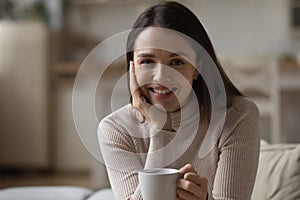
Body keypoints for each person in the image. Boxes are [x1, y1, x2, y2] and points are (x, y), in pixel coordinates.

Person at [98, 1, 260, 200]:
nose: (160, 77)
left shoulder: (238, 116)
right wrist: (161, 129)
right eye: (147, 61)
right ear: (133, 68)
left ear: (197, 67)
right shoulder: (115, 129)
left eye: (177, 62)